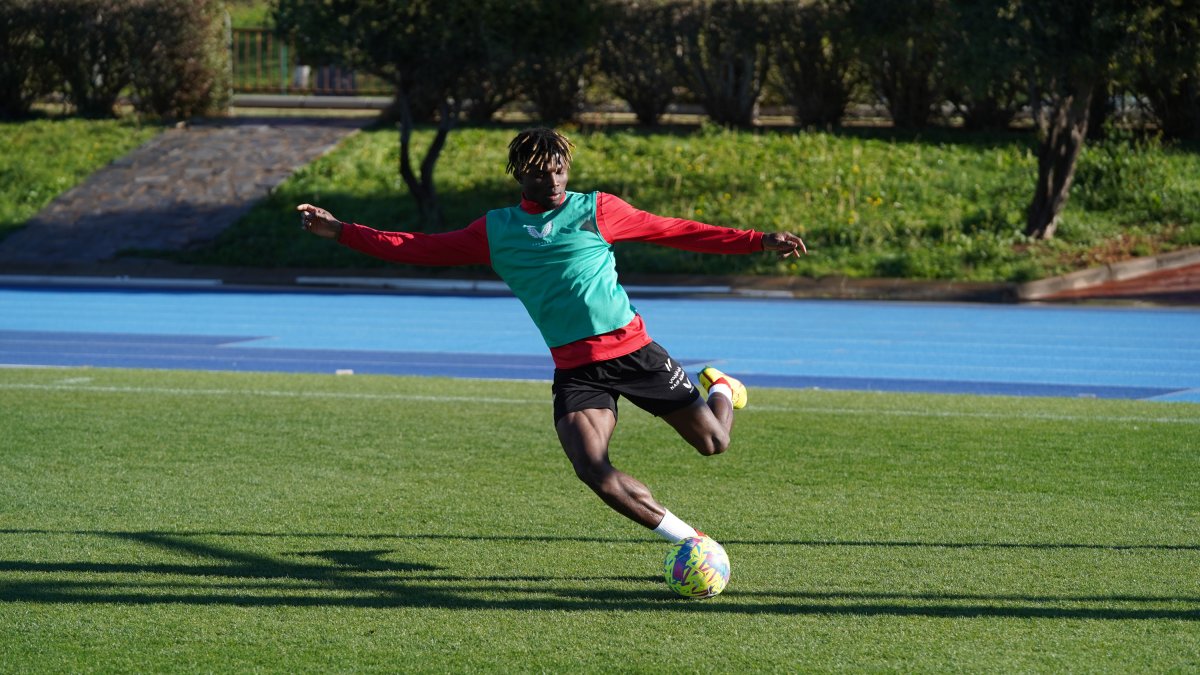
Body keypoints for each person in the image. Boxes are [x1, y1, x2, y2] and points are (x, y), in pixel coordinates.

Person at [298, 127, 805, 544]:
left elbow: (675, 229)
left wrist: (758, 241)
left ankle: (721, 388)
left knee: (714, 444)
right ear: (521, 173)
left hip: (635, 355)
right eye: (542, 168)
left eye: (561, 164)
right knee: (593, 470)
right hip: (577, 371)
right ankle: (691, 541)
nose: (555, 174)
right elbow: (418, 247)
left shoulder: (597, 210)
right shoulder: (495, 229)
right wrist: (342, 231)